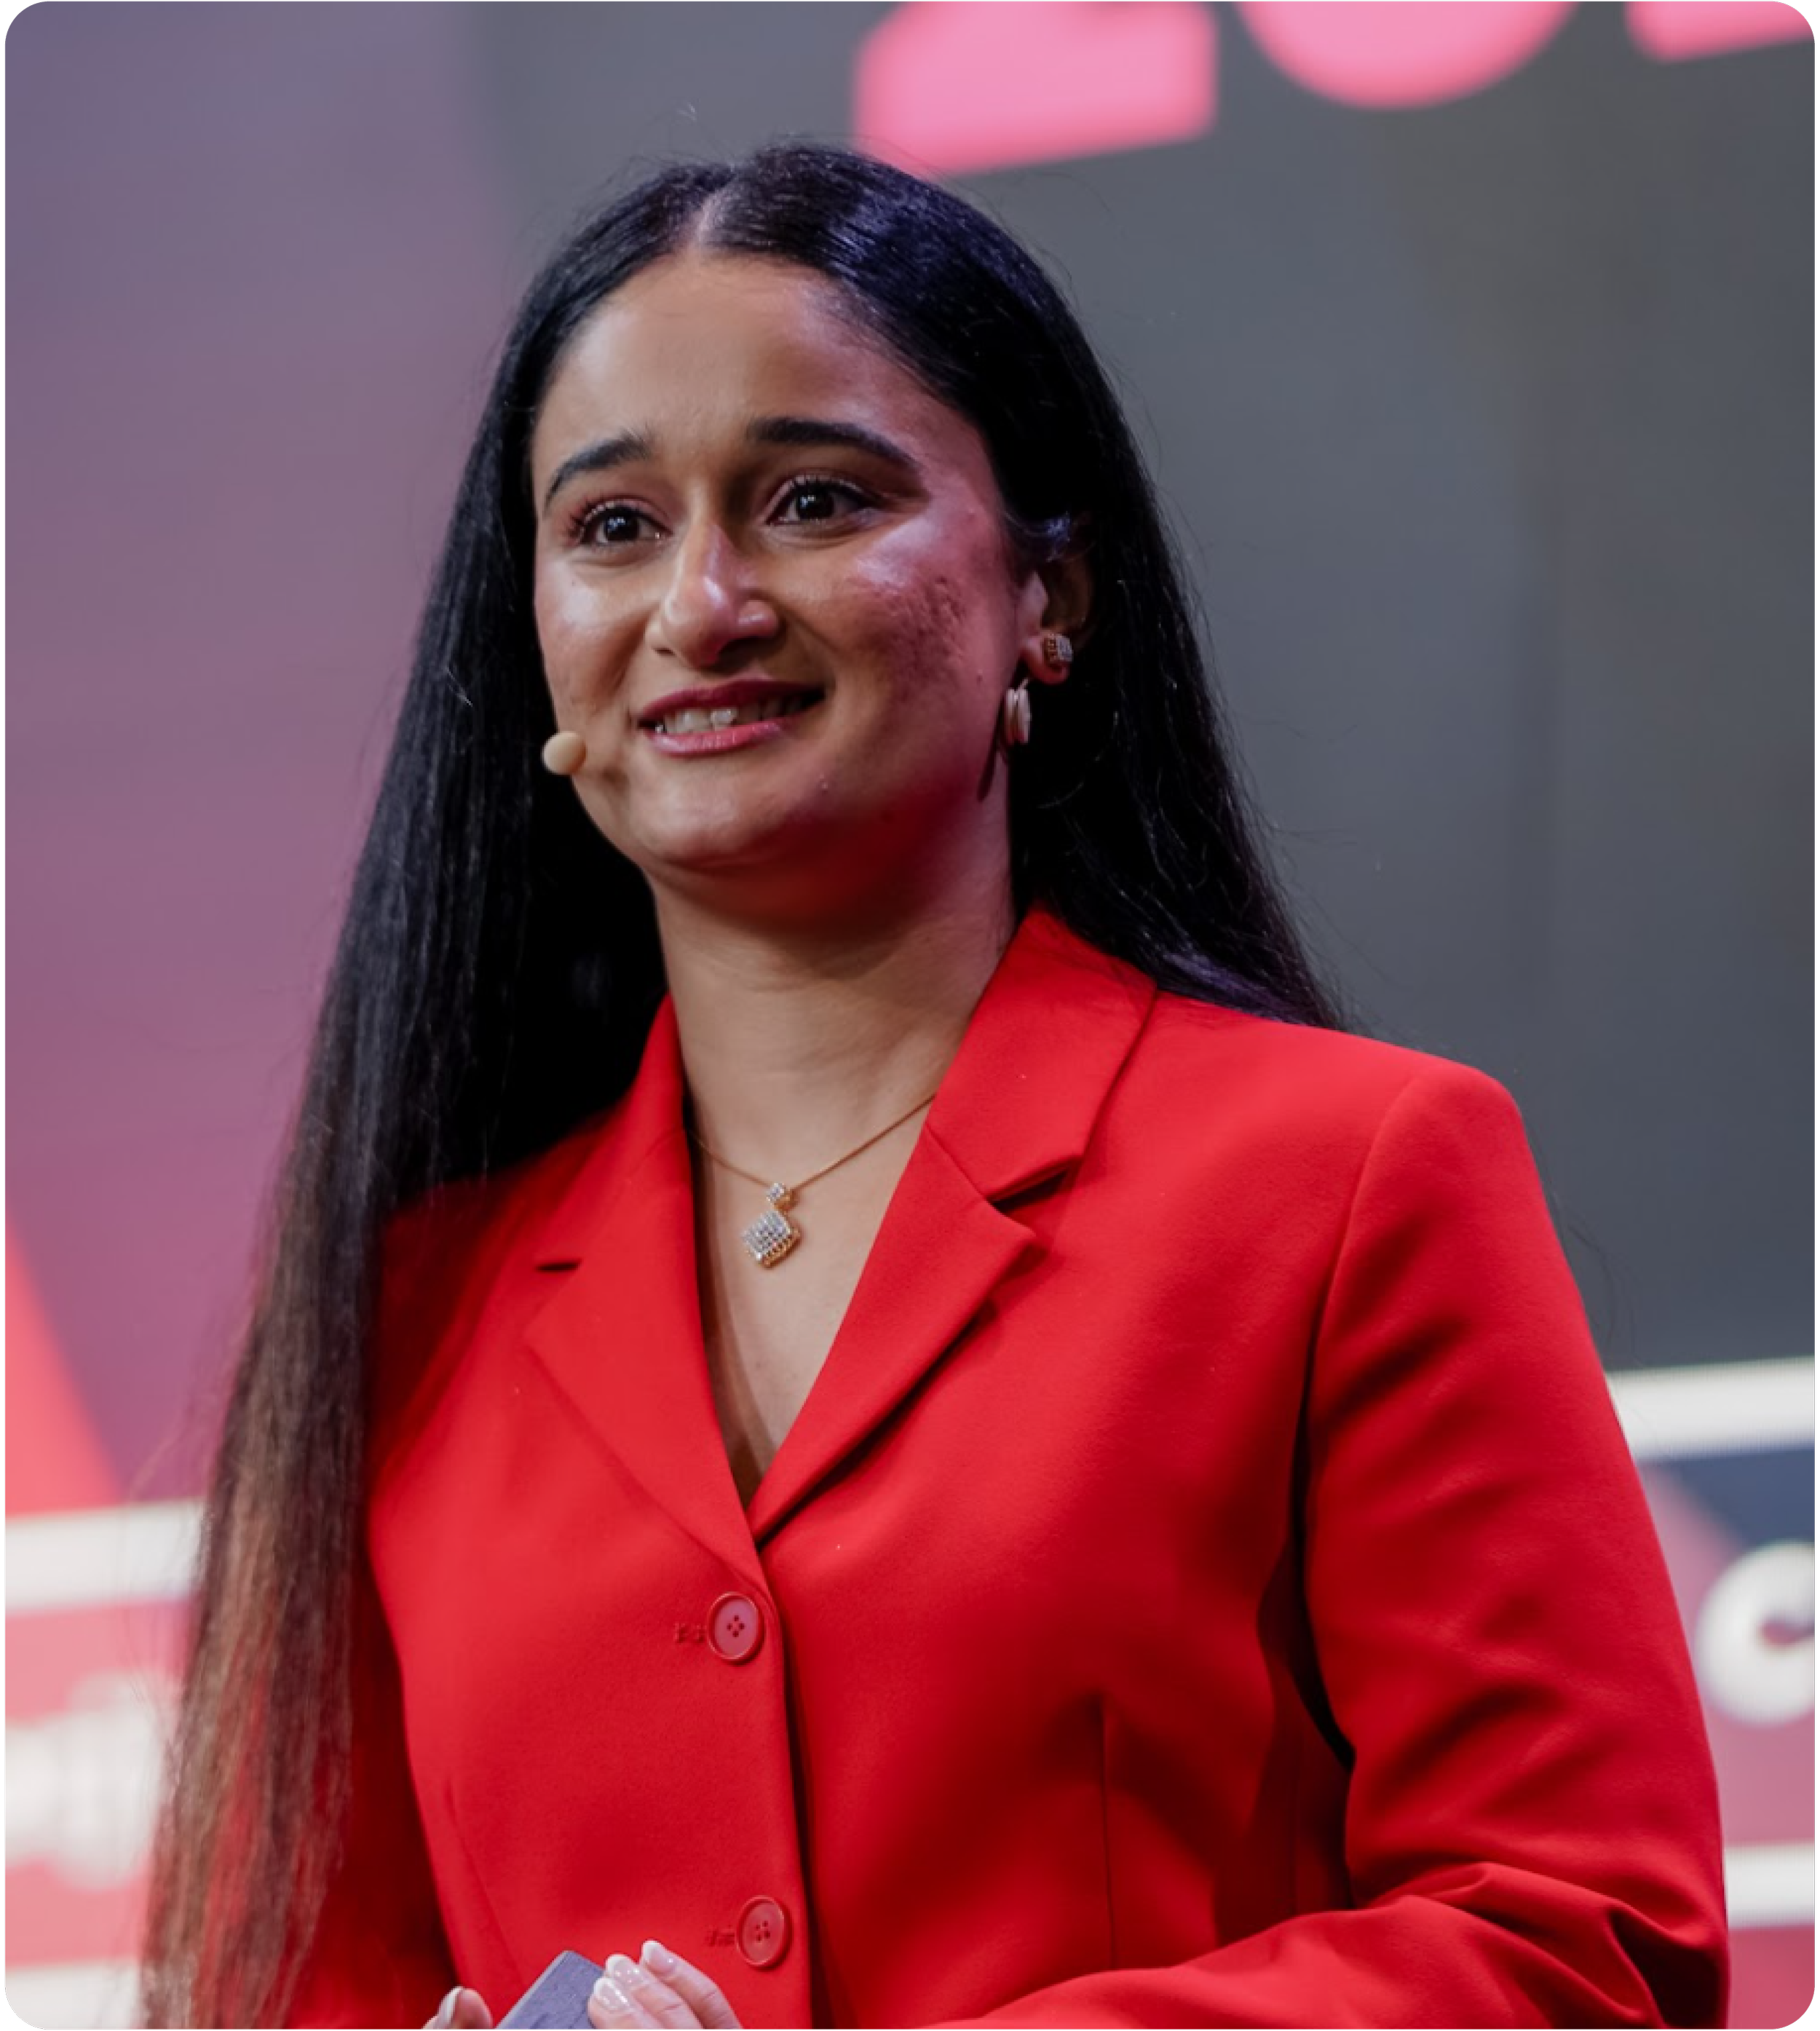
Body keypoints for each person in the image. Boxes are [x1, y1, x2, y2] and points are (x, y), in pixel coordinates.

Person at [139, 144, 1728, 2031]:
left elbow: (1580, 1936)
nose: (704, 600)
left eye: (810, 499)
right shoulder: (403, 1307)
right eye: (613, 527)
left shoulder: (1354, 1173)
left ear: (1044, 597)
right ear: (538, 653)